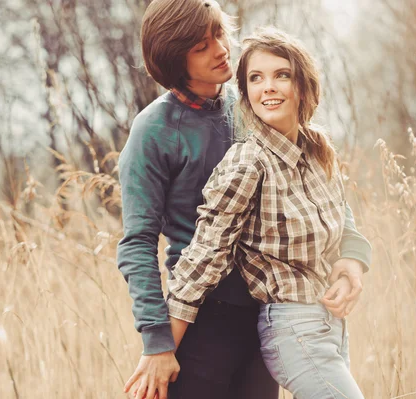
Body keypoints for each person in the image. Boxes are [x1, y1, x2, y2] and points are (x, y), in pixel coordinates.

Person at [117, 1, 372, 398]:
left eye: (219, 33)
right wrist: (158, 341)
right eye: (201, 46)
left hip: (265, 315)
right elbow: (137, 243)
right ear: (173, 59)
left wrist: (351, 259)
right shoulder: (153, 130)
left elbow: (318, 188)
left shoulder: (254, 105)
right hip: (200, 321)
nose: (220, 49)